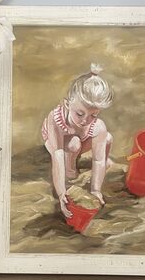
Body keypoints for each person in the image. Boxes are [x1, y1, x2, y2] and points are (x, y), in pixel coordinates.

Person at [42, 63, 114, 218]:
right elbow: (57, 155)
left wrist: (95, 190)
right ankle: (70, 168)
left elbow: (98, 160)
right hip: (58, 142)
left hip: (81, 139)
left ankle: (83, 157)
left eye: (93, 116)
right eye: (80, 114)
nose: (85, 121)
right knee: (74, 144)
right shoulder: (55, 119)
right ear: (68, 104)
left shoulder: (97, 125)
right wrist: (62, 193)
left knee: (107, 137)